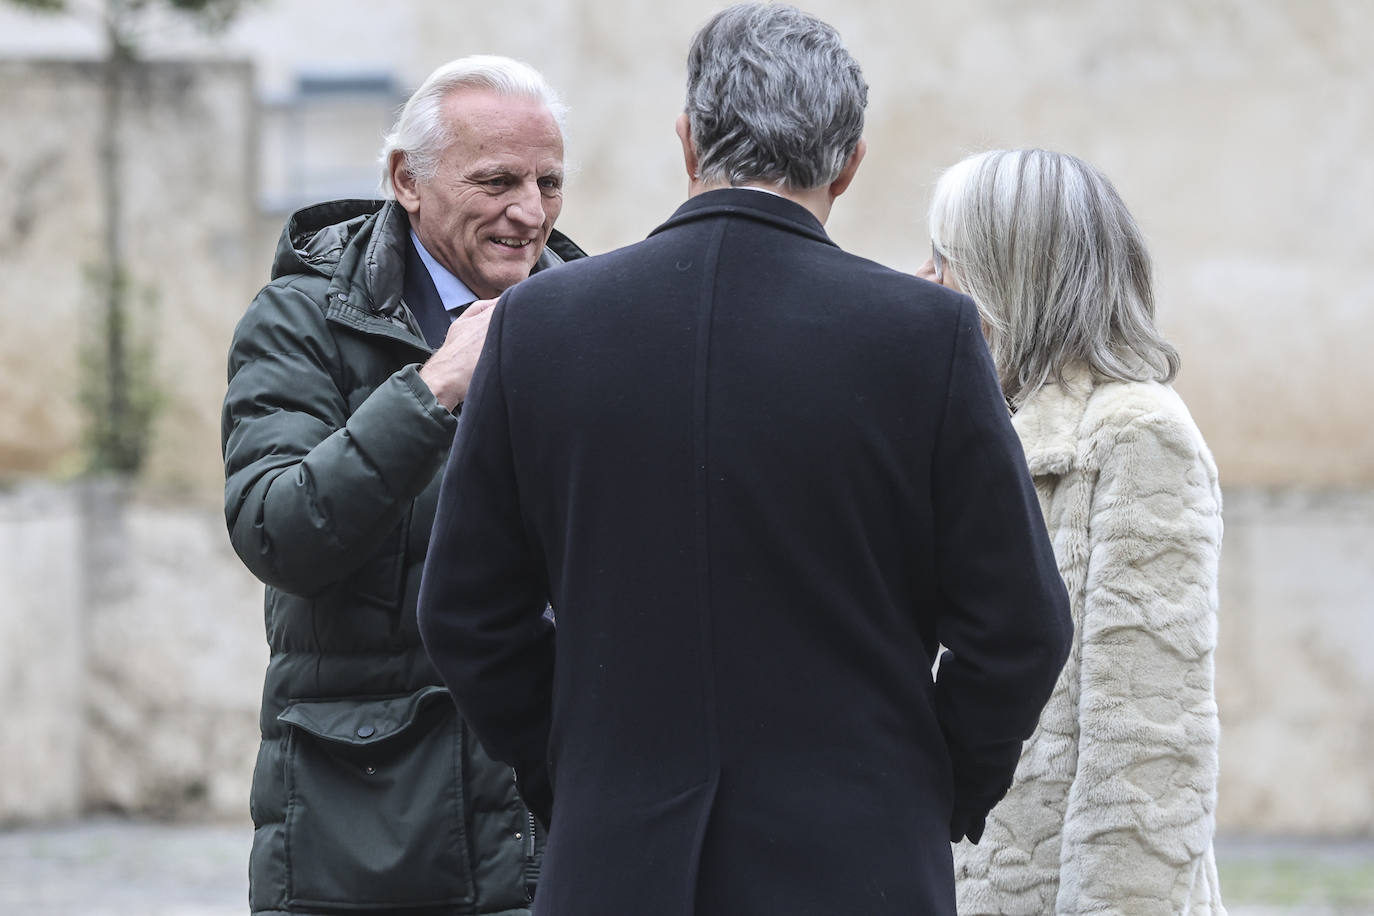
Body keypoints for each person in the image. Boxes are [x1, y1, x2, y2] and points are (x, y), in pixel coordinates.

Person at [416, 7, 1072, 915]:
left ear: (688, 143)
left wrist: (573, 772)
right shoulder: (926, 338)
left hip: (614, 861)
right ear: (849, 162)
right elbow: (1021, 628)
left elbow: (464, 613)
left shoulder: (541, 327)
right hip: (861, 864)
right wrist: (935, 785)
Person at [221, 55, 585, 916]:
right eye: (497, 181)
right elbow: (277, 531)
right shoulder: (300, 317)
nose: (528, 213)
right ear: (405, 181)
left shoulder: (591, 318)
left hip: (558, 821)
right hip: (368, 833)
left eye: (549, 182)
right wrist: (433, 387)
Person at [918, 148, 1227, 914]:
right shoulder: (989, 430)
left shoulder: (1135, 432)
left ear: (1010, 273)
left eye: (945, 257)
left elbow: (1148, 749)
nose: (923, 279)